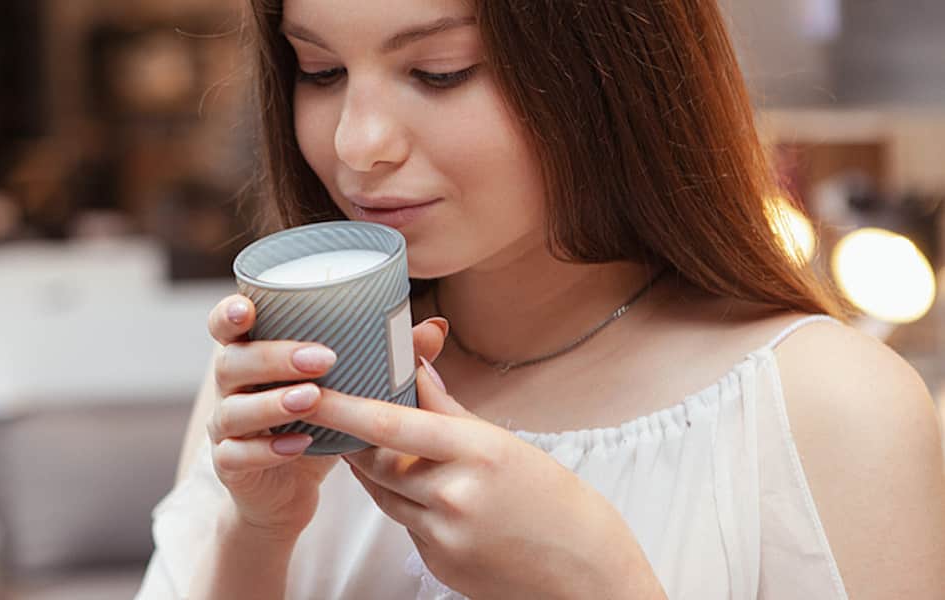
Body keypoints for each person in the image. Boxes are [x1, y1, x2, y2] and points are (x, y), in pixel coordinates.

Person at [136, 0, 945, 598]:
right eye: (320, 71)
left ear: (607, 67)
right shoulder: (282, 391)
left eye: (438, 71)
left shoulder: (829, 411)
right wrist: (257, 538)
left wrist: (603, 584)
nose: (356, 143)